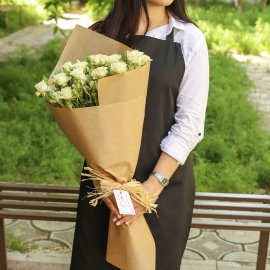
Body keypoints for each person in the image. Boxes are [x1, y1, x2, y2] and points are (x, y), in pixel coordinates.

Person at [70, 0, 209, 269]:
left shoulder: (189, 38)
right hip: (102, 185)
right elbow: (82, 115)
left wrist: (149, 190)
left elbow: (189, 124)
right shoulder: (99, 34)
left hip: (164, 187)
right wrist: (105, 184)